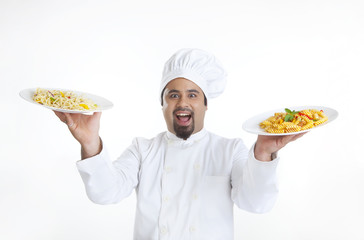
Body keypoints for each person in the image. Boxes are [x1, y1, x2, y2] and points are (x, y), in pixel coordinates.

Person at [54, 48, 305, 240]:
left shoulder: (229, 150)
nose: (182, 102)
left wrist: (262, 152)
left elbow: (257, 203)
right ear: (162, 105)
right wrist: (89, 142)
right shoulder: (143, 150)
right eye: (173, 95)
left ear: (205, 104)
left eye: (192, 95)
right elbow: (105, 192)